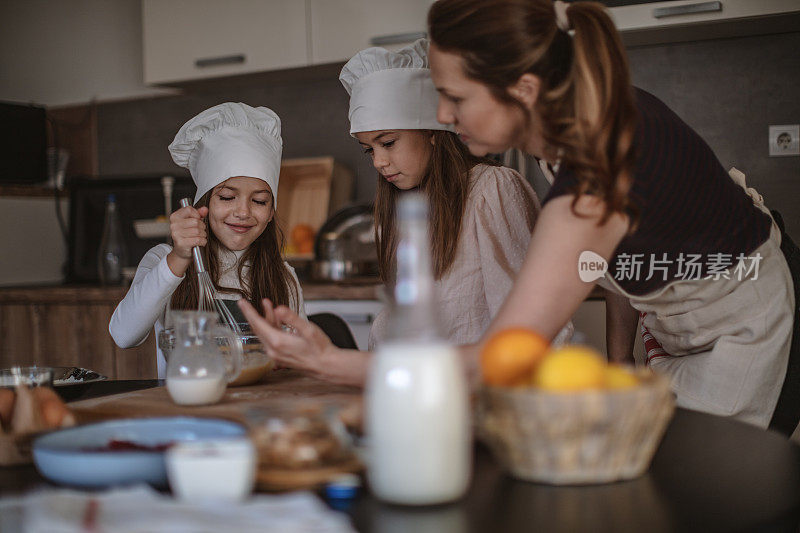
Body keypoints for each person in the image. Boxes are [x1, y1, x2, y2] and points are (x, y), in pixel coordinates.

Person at [425, 0, 798, 434]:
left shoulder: (596, 176)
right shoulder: (580, 125)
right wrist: (620, 359)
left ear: (524, 89)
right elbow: (622, 252)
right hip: (683, 333)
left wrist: (340, 367)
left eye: (455, 96)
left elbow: (503, 354)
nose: (442, 116)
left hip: (749, 334)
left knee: (715, 492)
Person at [239, 39, 569, 386]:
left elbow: (531, 332)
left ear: (431, 132)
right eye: (369, 150)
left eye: (388, 142)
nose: (379, 162)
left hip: (483, 397)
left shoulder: (493, 190)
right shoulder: (403, 208)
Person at [110, 102, 305, 378]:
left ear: (272, 212)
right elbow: (123, 335)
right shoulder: (164, 260)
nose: (243, 212)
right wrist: (178, 258)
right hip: (191, 414)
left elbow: (301, 361)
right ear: (204, 204)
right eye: (227, 197)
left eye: (259, 200)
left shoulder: (284, 277)